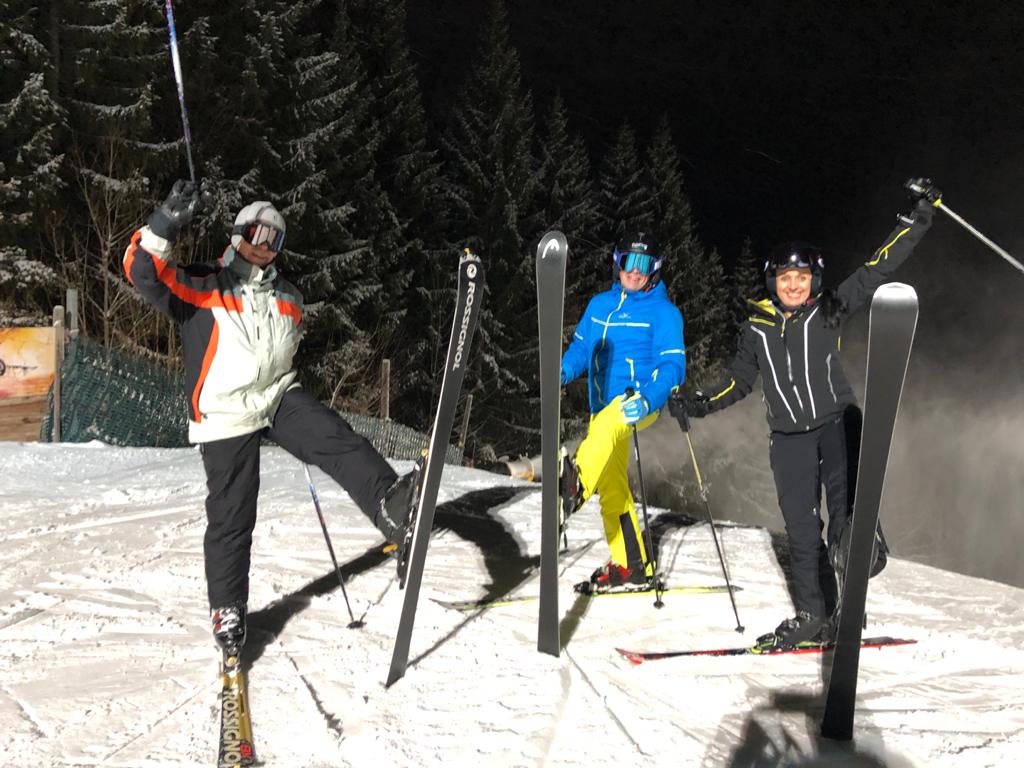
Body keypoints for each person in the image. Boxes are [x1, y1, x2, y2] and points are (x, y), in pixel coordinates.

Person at [122, 180, 418, 657]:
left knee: (337, 438)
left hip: (276, 395)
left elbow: (286, 346)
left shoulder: (289, 297)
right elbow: (142, 272)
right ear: (237, 234)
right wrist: (165, 223)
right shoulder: (201, 285)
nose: (263, 245)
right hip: (225, 411)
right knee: (233, 512)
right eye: (256, 234)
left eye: (273, 238)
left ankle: (390, 505)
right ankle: (228, 607)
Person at [669, 178, 941, 645]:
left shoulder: (830, 309)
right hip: (788, 439)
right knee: (800, 531)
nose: (793, 285)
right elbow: (738, 382)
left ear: (813, 280)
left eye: (801, 277)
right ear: (772, 283)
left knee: (845, 515)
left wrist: (918, 216)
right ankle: (814, 614)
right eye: (784, 278)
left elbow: (877, 267)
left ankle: (861, 552)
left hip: (836, 425)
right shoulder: (756, 329)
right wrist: (698, 402)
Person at [559, 233, 686, 588]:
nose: (634, 271)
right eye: (629, 261)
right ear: (617, 263)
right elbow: (581, 349)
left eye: (643, 264)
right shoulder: (599, 305)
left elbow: (672, 366)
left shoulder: (664, 313)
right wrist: (563, 371)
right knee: (613, 487)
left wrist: (648, 398)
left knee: (608, 426)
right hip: (601, 408)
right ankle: (631, 565)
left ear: (654, 269)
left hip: (636, 403)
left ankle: (573, 486)